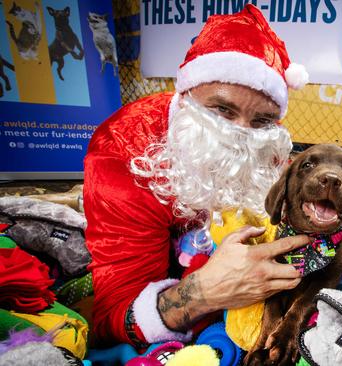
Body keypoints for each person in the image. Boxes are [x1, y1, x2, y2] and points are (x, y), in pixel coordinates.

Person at [83, 4, 311, 347]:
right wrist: (205, 293)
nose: (240, 136)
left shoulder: (268, 144)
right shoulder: (126, 149)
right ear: (188, 93)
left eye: (261, 121)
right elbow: (113, 314)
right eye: (222, 110)